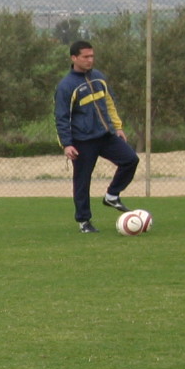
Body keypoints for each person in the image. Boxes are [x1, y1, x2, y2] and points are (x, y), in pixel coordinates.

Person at [54, 40, 139, 233]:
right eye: (85, 57)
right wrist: (66, 144)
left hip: (106, 135)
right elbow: (61, 117)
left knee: (130, 160)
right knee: (82, 181)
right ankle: (84, 222)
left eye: (92, 56)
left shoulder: (99, 78)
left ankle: (112, 195)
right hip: (83, 141)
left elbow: (109, 103)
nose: (90, 60)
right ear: (74, 58)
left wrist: (117, 127)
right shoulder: (66, 86)